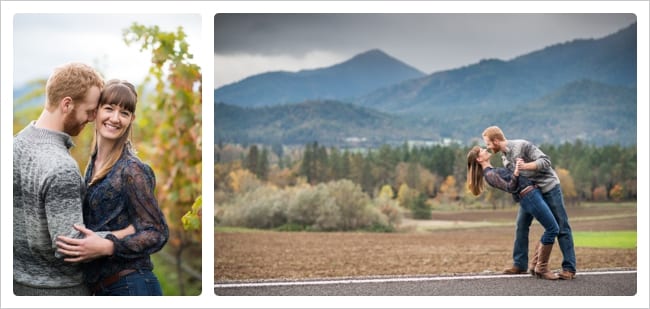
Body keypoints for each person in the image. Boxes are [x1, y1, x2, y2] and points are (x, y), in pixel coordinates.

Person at [13, 63, 132, 296]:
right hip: (60, 290)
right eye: (89, 111)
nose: (92, 118)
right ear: (67, 104)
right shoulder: (61, 167)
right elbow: (71, 246)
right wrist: (127, 233)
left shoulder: (14, 145)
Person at [56, 79, 169, 296]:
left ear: (131, 119)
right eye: (109, 109)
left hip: (130, 285)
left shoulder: (132, 170)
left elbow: (157, 232)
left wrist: (107, 246)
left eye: (124, 113)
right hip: (105, 288)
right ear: (95, 112)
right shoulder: (93, 166)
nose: (115, 118)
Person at [482, 126, 576, 280]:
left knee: (561, 226)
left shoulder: (522, 146)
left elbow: (546, 161)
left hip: (549, 187)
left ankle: (569, 268)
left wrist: (526, 166)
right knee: (521, 225)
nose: (488, 147)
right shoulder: (504, 157)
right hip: (531, 194)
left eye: (488, 144)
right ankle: (519, 264)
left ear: (496, 140)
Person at [467, 146, 559, 280]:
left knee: (522, 227)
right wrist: (516, 172)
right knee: (552, 228)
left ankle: (531, 265)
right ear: (479, 159)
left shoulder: (493, 170)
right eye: (482, 150)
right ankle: (542, 268)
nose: (485, 149)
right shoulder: (489, 174)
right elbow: (510, 187)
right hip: (529, 196)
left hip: (531, 193)